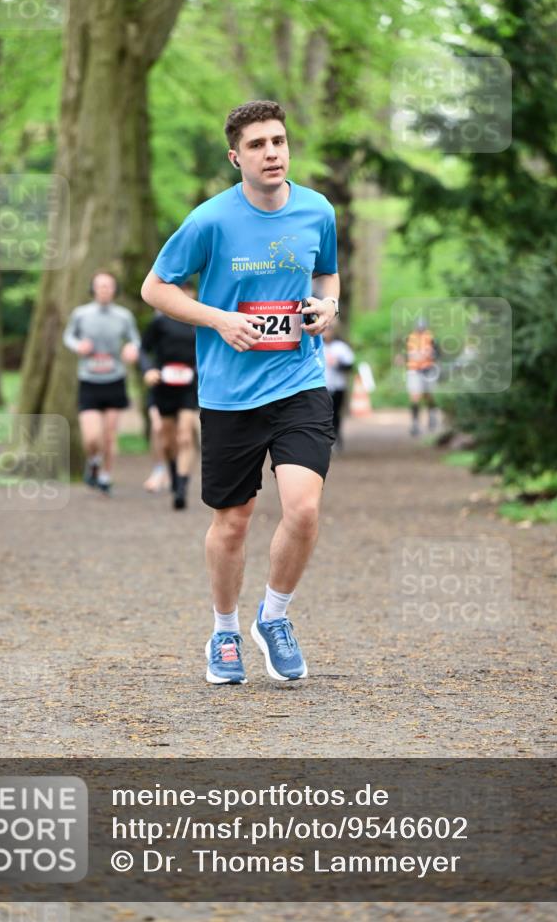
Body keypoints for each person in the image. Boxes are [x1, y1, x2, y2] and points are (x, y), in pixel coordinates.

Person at [141, 99, 339, 685]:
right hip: (230, 392)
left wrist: (328, 305)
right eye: (256, 145)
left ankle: (273, 617)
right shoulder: (209, 221)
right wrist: (218, 319)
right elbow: (155, 288)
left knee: (303, 509)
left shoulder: (317, 209)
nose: (271, 152)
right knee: (235, 520)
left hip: (300, 379)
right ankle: (224, 631)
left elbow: (327, 271)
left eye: (278, 141)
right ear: (236, 157)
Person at [63, 271, 140, 494]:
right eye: (101, 286)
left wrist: (131, 348)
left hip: (114, 379)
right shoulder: (81, 314)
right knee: (92, 437)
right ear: (93, 289)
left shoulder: (124, 316)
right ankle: (93, 461)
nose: (105, 290)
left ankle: (106, 475)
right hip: (89, 379)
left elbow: (134, 339)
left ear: (114, 290)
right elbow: (68, 336)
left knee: (109, 435)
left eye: (109, 286)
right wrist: (78, 346)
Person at [140, 283, 199, 510]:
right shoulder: (160, 322)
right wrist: (148, 370)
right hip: (163, 385)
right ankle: (174, 473)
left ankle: (182, 488)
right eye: (181, 290)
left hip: (188, 386)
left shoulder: (199, 322)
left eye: (189, 291)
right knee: (167, 439)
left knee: (185, 435)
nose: (186, 295)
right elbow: (143, 349)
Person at [405, 317, 440, 436]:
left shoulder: (431, 337)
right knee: (415, 397)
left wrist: (430, 356)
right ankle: (415, 424)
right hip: (414, 370)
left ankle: (432, 416)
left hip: (427, 369)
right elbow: (407, 354)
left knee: (428, 395)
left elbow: (437, 353)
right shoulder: (411, 338)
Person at [323, 323, 355, 449]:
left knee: (336, 413)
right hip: (322, 386)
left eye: (329, 330)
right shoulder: (316, 346)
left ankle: (337, 438)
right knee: (323, 415)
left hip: (338, 386)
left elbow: (350, 366)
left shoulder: (341, 347)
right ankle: (325, 440)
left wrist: (338, 364)